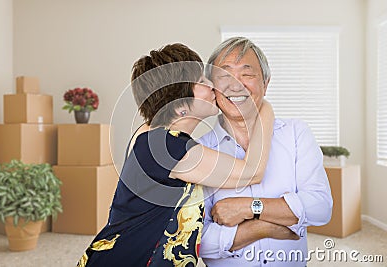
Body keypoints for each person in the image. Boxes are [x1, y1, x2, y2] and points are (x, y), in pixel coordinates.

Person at [77, 43, 274, 267]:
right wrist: (264, 108)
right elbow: (251, 171)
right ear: (180, 101)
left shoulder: (148, 133)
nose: (212, 86)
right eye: (201, 82)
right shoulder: (167, 147)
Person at [199, 37, 333, 266]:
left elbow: (320, 207)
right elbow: (200, 241)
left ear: (266, 83)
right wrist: (262, 227)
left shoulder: (295, 134)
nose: (235, 84)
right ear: (212, 87)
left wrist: (249, 207)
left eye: (247, 74)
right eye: (224, 75)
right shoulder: (200, 152)